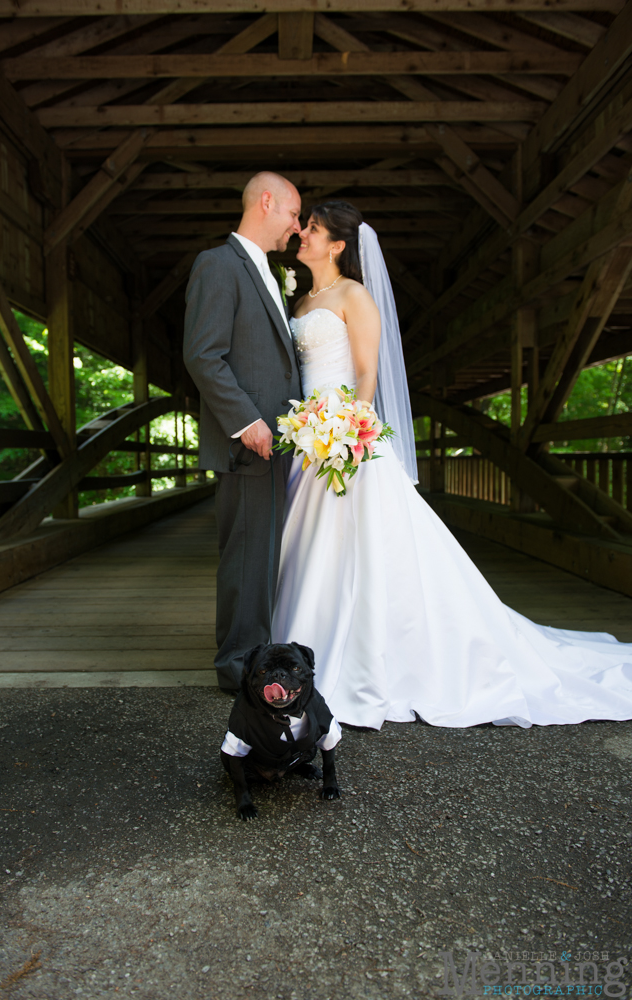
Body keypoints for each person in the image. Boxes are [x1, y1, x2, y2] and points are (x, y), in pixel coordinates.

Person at [272, 200, 632, 729]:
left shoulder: (356, 295)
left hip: (345, 441)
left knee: (366, 552)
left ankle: (369, 659)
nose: (302, 233)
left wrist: (348, 434)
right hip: (308, 441)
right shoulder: (302, 299)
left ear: (338, 245)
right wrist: (312, 431)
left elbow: (367, 373)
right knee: (312, 547)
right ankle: (303, 645)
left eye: (314, 229)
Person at [184, 171, 302, 691]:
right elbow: (204, 355)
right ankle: (237, 668)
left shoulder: (268, 273)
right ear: (267, 202)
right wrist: (247, 422)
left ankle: (255, 658)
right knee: (247, 556)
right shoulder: (218, 264)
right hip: (250, 443)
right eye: (294, 213)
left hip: (275, 446)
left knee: (262, 556)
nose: (297, 227)